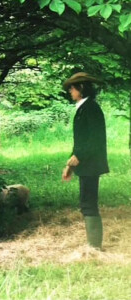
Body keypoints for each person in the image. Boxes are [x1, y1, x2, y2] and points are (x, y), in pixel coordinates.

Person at [62, 72, 109, 250]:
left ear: (81, 88)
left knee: (89, 203)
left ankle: (94, 247)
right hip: (86, 163)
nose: (70, 92)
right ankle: (93, 245)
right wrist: (70, 165)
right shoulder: (84, 108)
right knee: (86, 202)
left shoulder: (91, 109)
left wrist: (78, 157)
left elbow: (95, 140)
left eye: (71, 88)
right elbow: (81, 141)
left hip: (91, 164)